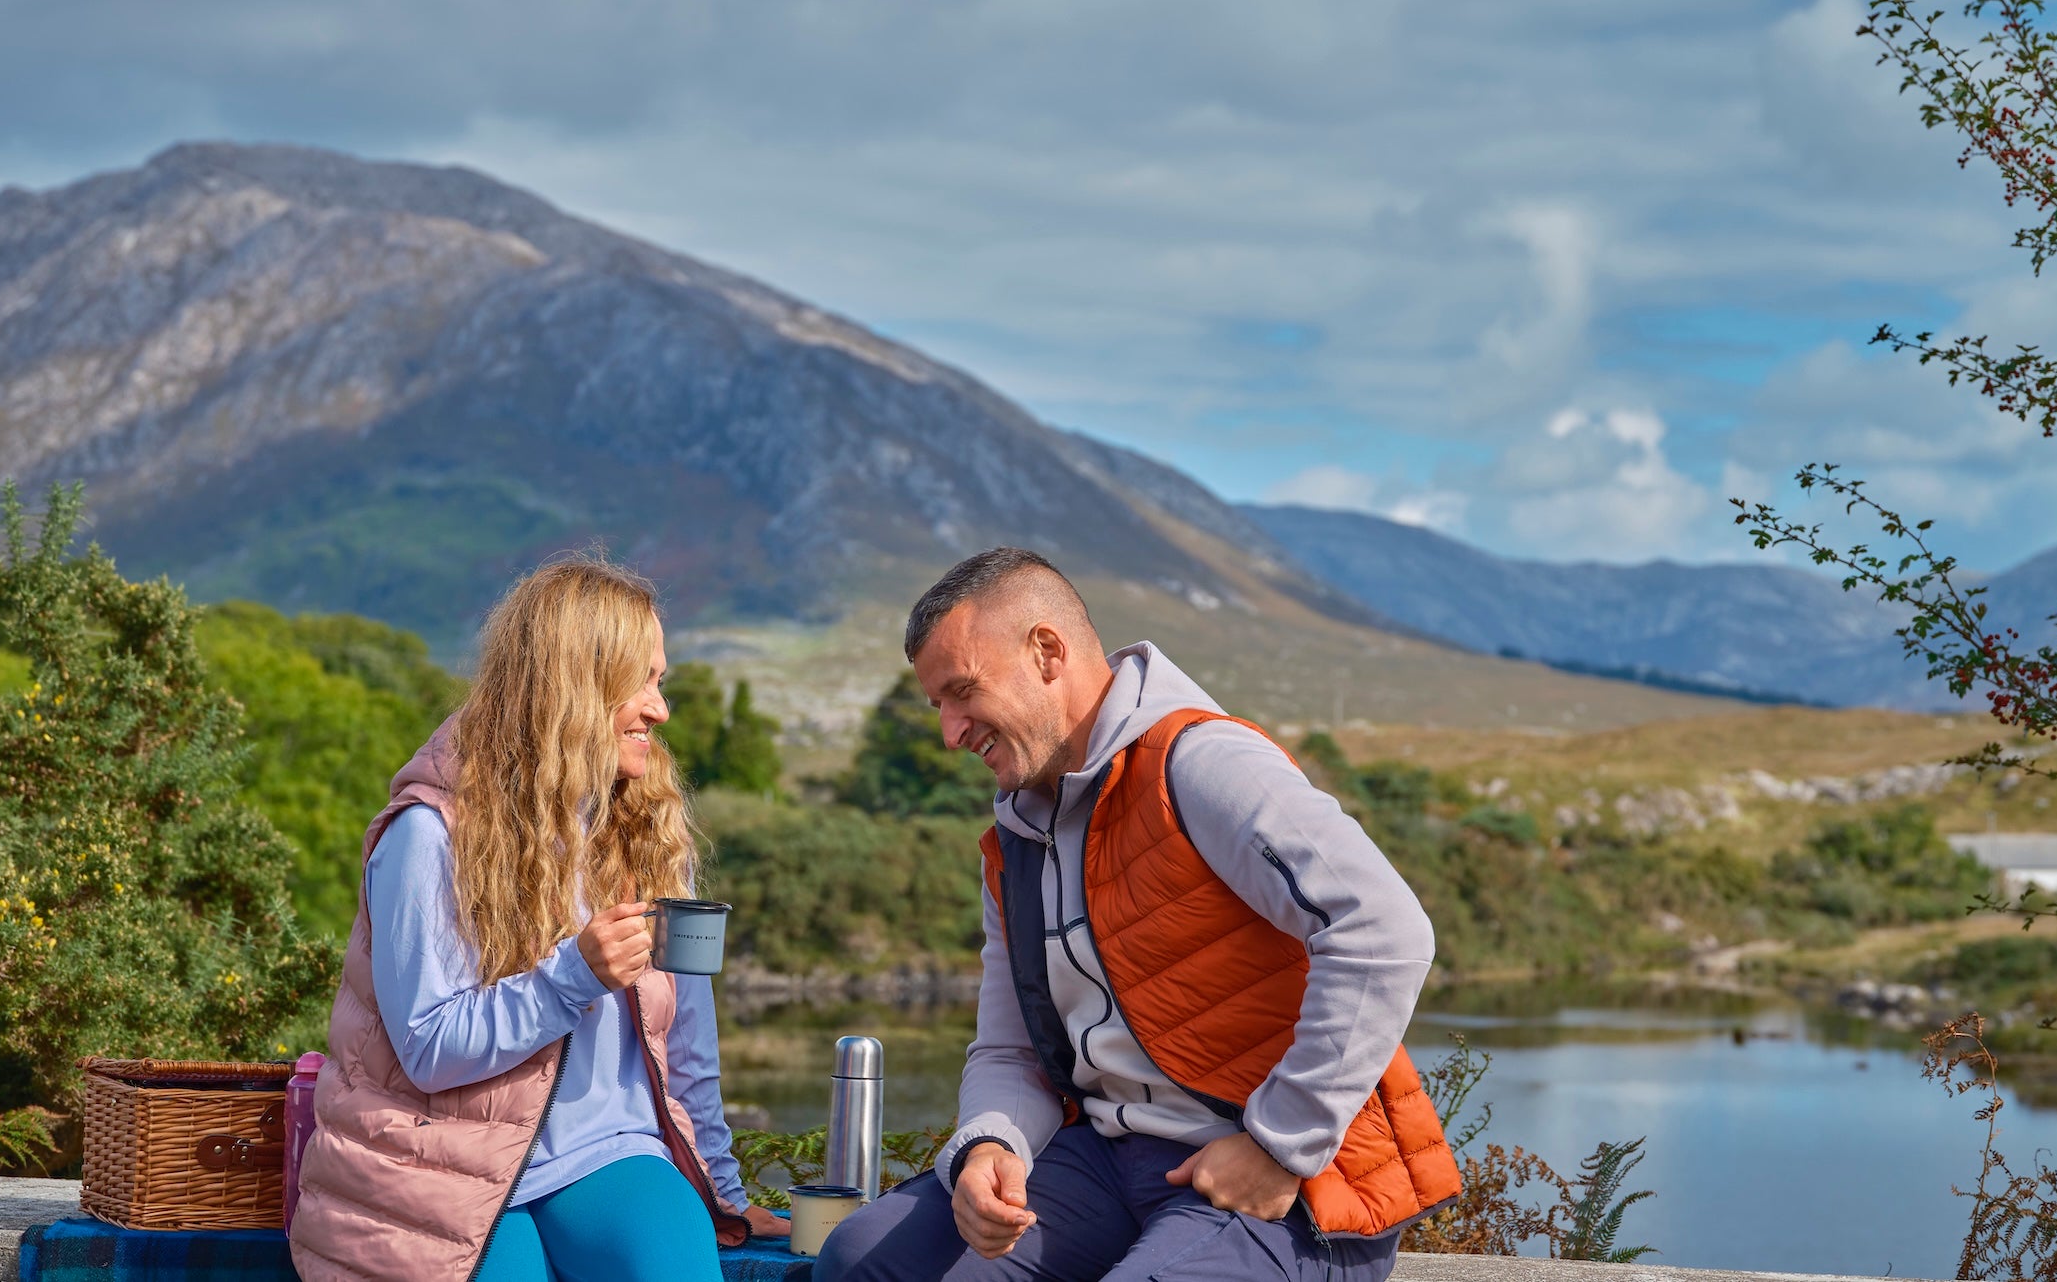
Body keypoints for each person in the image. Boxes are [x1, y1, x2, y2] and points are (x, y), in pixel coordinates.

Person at [816, 548, 1459, 1282]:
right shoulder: (1016, 843)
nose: (951, 733)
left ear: (1047, 652)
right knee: (863, 1261)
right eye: (939, 707)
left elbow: (1385, 933)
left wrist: (1281, 1144)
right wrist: (990, 1145)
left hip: (1288, 1189)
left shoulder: (1202, 763)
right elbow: (1010, 1050)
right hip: (1105, 1163)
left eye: (963, 692)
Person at [290, 556, 785, 1282]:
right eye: (641, 682)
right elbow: (428, 1048)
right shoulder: (428, 836)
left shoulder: (646, 834)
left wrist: (725, 1196)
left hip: (613, 1155)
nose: (660, 708)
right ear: (573, 687)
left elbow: (687, 1051)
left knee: (671, 1260)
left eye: (661, 680)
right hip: (445, 1160)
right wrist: (573, 976)